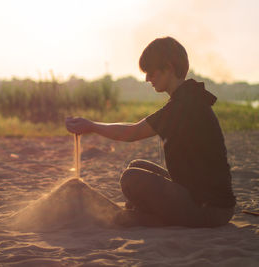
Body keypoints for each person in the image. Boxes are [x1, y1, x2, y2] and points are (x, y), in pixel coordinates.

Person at [65, 36, 236, 228]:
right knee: (137, 165)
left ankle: (155, 218)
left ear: (169, 68)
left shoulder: (184, 105)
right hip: (203, 197)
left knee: (131, 179)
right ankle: (154, 214)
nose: (147, 79)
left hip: (209, 210)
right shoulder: (188, 99)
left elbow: (132, 132)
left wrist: (92, 126)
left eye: (151, 73)